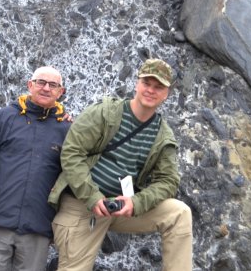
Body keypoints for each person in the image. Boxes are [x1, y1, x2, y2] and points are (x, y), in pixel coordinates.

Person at [48, 58, 192, 271]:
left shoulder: (163, 135)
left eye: (158, 87)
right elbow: (72, 152)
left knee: (179, 213)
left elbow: (168, 181)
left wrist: (137, 202)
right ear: (137, 84)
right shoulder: (104, 112)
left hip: (121, 209)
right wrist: (92, 196)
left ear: (166, 93)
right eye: (147, 83)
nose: (151, 90)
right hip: (83, 205)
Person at [0, 66, 72, 271]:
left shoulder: (67, 129)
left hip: (38, 228)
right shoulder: (5, 117)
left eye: (53, 85)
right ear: (30, 85)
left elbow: (69, 179)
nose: (46, 88)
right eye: (41, 82)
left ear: (61, 92)